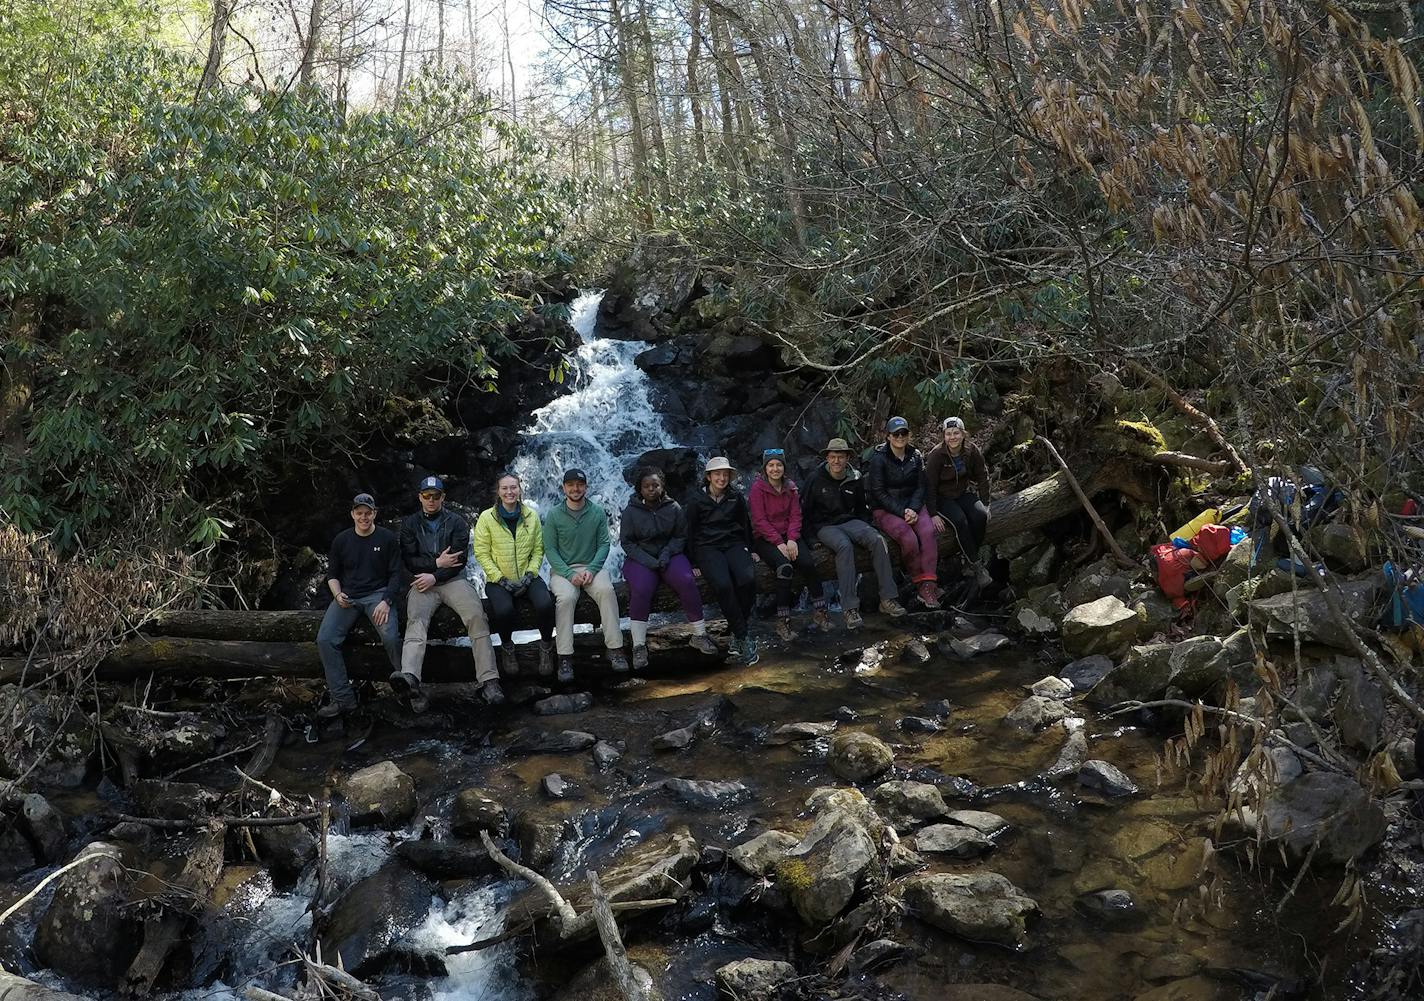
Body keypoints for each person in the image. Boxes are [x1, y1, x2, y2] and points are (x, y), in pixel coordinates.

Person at [398, 475, 503, 706]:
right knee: (415, 620)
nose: (431, 500)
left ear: (443, 497)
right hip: (422, 582)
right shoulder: (409, 525)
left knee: (477, 616)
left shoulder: (458, 522)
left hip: (453, 580)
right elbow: (409, 561)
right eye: (427, 496)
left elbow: (459, 561)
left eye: (436, 496)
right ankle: (411, 679)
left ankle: (489, 680)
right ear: (420, 497)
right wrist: (436, 565)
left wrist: (435, 573)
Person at [801, 437, 906, 630]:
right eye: (832, 457)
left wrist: (864, 529)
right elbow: (804, 511)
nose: (836, 462)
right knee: (844, 545)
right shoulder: (815, 478)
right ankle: (849, 609)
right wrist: (810, 539)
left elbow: (862, 509)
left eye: (840, 457)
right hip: (824, 526)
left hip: (850, 521)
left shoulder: (855, 477)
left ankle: (888, 599)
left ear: (847, 458)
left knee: (876, 540)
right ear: (827, 458)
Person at [619, 467, 718, 668]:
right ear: (640, 489)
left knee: (687, 580)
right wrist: (649, 561)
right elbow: (627, 543)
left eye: (655, 485)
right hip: (640, 558)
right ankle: (639, 646)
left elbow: (681, 536)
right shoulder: (630, 511)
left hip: (670, 554)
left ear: (662, 486)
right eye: (646, 486)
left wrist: (666, 554)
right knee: (641, 589)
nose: (651, 489)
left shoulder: (674, 508)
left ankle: (699, 635)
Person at [315, 493, 403, 718]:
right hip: (348, 598)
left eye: (368, 513)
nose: (364, 517)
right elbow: (332, 575)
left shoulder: (387, 538)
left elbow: (396, 575)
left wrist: (386, 601)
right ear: (353, 514)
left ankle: (409, 688)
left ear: (375, 513)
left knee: (391, 637)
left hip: (378, 596)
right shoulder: (341, 540)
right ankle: (344, 699)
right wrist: (337, 595)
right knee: (325, 640)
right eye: (359, 513)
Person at [543, 468, 629, 682]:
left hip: (593, 567)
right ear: (564, 488)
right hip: (563, 570)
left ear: (586, 487)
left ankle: (615, 650)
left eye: (580, 484)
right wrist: (568, 573)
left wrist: (591, 569)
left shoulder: (597, 512)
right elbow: (550, 550)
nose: (575, 488)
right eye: (571, 485)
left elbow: (604, 544)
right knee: (566, 599)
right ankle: (565, 657)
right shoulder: (554, 514)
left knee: (607, 591)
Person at [473, 472, 556, 678]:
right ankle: (507, 647)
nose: (510, 492)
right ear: (498, 492)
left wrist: (530, 574)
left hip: (528, 575)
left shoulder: (531, 516)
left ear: (520, 489)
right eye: (505, 488)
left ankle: (546, 645)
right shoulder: (487, 518)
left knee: (545, 604)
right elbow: (481, 553)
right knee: (503, 611)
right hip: (498, 580)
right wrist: (500, 578)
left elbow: (538, 549)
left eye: (513, 487)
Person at [749, 448, 831, 639]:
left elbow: (796, 515)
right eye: (771, 465)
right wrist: (778, 542)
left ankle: (820, 613)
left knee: (809, 564)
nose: (775, 469)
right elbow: (759, 521)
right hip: (765, 538)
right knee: (785, 568)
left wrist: (793, 539)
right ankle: (783, 622)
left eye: (778, 465)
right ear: (765, 469)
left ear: (784, 467)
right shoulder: (757, 489)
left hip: (789, 535)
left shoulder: (791, 488)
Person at [686, 456, 760, 666]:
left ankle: (737, 637)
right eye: (717, 474)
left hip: (733, 543)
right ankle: (744, 637)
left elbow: (744, 524)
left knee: (747, 580)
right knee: (723, 585)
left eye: (725, 474)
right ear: (708, 477)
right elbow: (689, 532)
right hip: (707, 548)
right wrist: (693, 562)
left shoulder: (735, 497)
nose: (722, 478)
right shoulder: (695, 500)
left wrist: (751, 549)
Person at [867, 416, 941, 609]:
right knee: (908, 538)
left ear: (909, 435)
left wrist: (914, 508)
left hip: (913, 505)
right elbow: (878, 492)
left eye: (904, 433)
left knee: (928, 532)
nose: (900, 437)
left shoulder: (915, 455)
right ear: (888, 437)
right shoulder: (879, 459)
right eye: (896, 434)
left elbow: (921, 485)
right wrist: (902, 512)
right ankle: (917, 579)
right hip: (886, 508)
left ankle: (929, 585)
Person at [925, 416, 992, 570]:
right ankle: (975, 564)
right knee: (960, 521)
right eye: (948, 434)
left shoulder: (971, 450)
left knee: (980, 515)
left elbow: (982, 475)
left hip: (962, 493)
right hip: (942, 498)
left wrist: (986, 502)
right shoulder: (936, 455)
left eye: (956, 433)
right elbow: (929, 486)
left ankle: (968, 553)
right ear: (944, 435)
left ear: (963, 434)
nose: (952, 437)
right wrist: (933, 513)